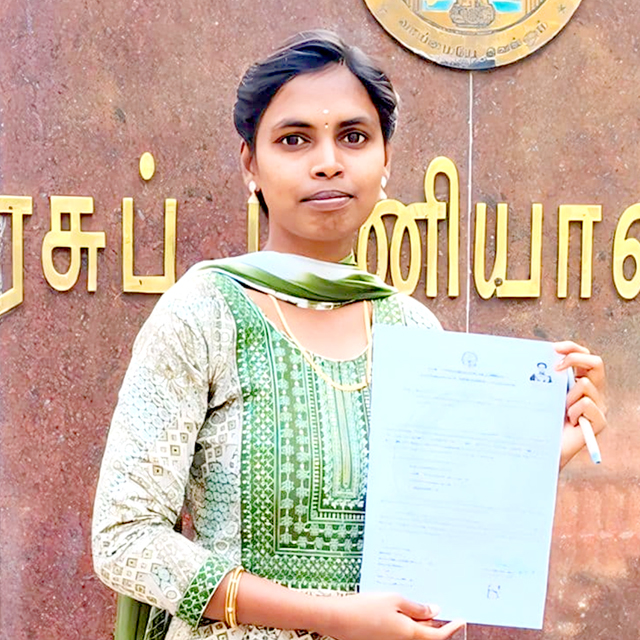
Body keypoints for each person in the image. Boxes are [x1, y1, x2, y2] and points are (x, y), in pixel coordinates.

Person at [92, 30, 607, 640]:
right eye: (294, 139)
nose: (328, 161)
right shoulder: (204, 315)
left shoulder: (412, 333)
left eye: (354, 137)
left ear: (385, 160)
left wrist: (540, 455)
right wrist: (332, 616)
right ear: (250, 163)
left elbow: (441, 531)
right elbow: (125, 541)